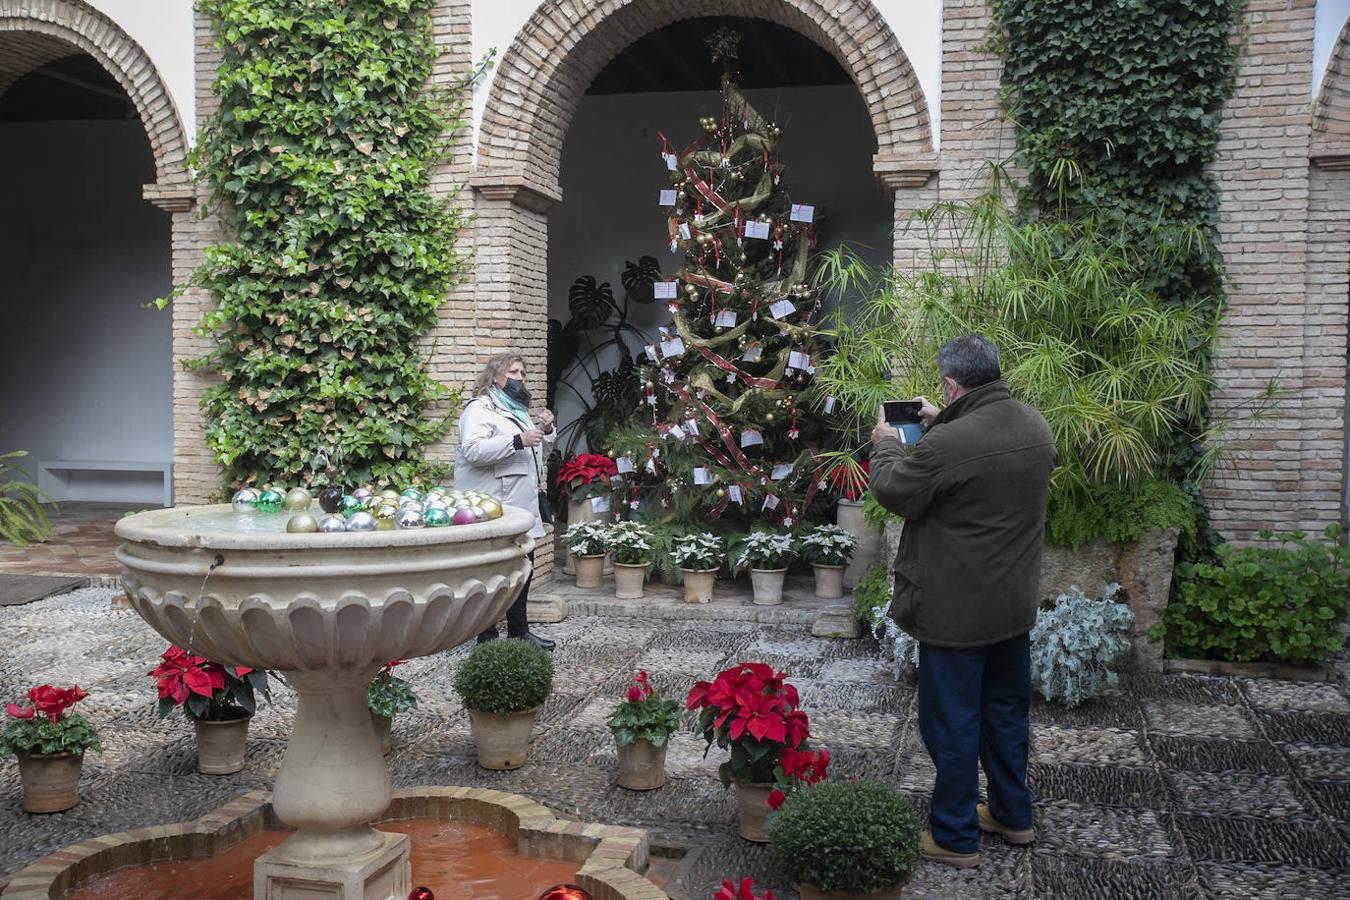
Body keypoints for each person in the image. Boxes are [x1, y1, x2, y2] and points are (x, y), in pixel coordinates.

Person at [869, 334, 1056, 868]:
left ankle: (954, 835)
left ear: (951, 384)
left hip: (956, 611)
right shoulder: (1033, 425)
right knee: (1005, 713)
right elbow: (981, 472)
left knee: (951, 721)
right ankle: (1012, 815)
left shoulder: (948, 444)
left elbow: (894, 489)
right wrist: (943, 418)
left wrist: (886, 440)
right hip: (1012, 606)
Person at [456, 353, 557, 651]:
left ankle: (519, 631)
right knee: (491, 571)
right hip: (494, 506)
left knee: (523, 565)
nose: (520, 377)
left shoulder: (518, 410)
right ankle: (486, 636)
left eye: (523, 373)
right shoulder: (479, 409)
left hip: (520, 504)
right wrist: (516, 441)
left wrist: (546, 431)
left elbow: (537, 455)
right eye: (513, 372)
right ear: (495, 377)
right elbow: (473, 450)